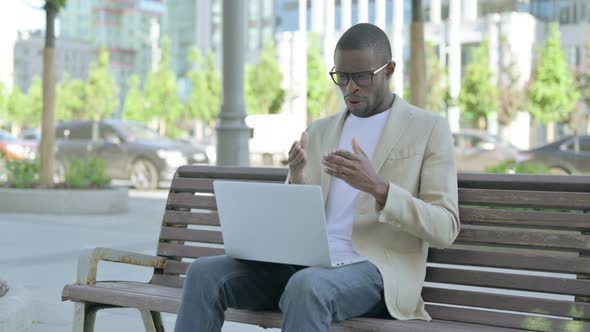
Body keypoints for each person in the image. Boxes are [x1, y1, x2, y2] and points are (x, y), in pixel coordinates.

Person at [174, 23, 459, 332]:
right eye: (342, 76)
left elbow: (445, 227)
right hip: (306, 265)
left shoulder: (428, 128)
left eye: (361, 76)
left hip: (377, 272)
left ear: (388, 70)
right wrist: (295, 178)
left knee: (308, 285)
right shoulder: (319, 131)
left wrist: (378, 188)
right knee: (204, 272)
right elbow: (295, 220)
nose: (350, 88)